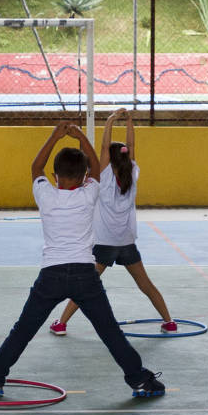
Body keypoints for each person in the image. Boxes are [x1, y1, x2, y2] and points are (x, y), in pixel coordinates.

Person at [0, 122, 165, 401]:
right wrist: (80, 135)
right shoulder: (89, 193)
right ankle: (140, 380)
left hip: (51, 276)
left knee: (23, 330)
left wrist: (54, 136)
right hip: (85, 274)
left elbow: (36, 167)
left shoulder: (45, 194)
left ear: (54, 175)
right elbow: (96, 167)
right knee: (110, 332)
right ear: (85, 177)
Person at [53, 108, 174, 334]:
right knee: (145, 285)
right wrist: (129, 121)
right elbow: (132, 146)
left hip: (105, 244)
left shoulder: (104, 175)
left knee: (85, 286)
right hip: (126, 242)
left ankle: (61, 323)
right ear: (127, 158)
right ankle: (169, 321)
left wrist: (109, 121)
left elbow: (103, 147)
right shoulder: (132, 174)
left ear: (108, 160)